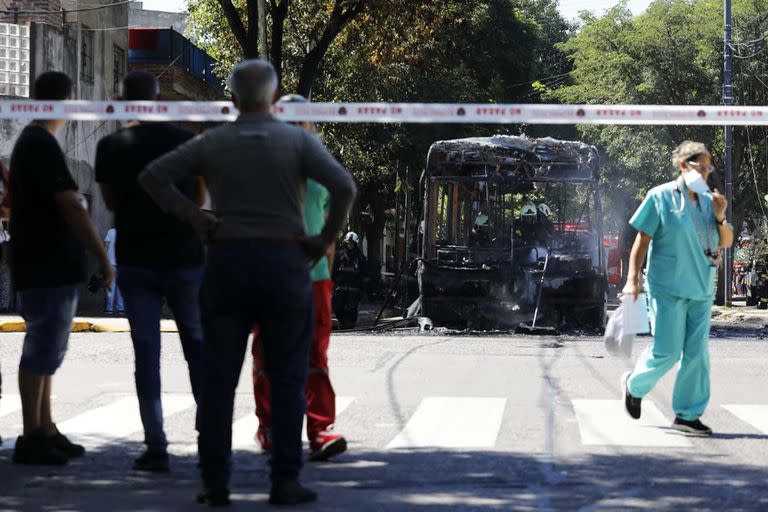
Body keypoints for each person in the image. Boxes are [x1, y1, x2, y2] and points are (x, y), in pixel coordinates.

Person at [139, 59, 356, 506]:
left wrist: (194, 215)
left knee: (218, 381)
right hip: (285, 264)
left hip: (226, 263)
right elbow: (344, 187)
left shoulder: (215, 141)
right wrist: (324, 239)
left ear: (234, 99)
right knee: (288, 375)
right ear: (275, 100)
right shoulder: (296, 140)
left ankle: (215, 483)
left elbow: (152, 177)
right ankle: (284, 480)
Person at [95, 71, 205, 473]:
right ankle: (208, 427)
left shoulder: (111, 146)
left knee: (147, 355)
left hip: (136, 259)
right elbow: (199, 197)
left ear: (124, 100)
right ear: (159, 98)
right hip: (183, 258)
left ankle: (156, 444)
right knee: (196, 345)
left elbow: (110, 202)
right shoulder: (185, 141)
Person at [9, 71, 114, 465]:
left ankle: (45, 427)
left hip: (46, 262)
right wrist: (102, 258)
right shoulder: (39, 143)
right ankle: (31, 433)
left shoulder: (38, 142)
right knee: (41, 348)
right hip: (46, 263)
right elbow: (70, 204)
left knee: (49, 349)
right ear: (64, 102)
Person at [251, 93, 347, 463]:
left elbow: (330, 234)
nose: (296, 127)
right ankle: (269, 425)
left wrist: (327, 276)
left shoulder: (323, 172)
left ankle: (320, 429)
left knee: (315, 356)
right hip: (270, 275)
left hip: (315, 279)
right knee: (266, 352)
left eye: (302, 121)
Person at [621, 140, 733, 435]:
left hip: (701, 289)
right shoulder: (660, 197)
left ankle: (687, 415)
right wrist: (632, 279)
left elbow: (726, 242)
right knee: (667, 351)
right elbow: (641, 241)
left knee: (697, 354)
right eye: (701, 166)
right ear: (684, 166)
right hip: (667, 287)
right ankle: (634, 385)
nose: (706, 173)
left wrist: (721, 216)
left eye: (709, 168)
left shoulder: (712, 202)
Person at [332, 232, 367, 329]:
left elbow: (364, 274)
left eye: (351, 243)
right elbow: (333, 270)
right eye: (348, 243)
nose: (349, 245)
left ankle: (350, 326)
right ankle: (341, 322)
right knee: (337, 307)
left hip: (354, 289)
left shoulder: (360, 258)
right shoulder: (339, 255)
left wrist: (362, 290)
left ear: (355, 244)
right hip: (340, 287)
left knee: (351, 310)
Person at [102, 227, 124, 315]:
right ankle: (120, 309)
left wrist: (103, 262)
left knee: (110, 288)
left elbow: (105, 247)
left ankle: (109, 309)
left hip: (110, 263)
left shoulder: (110, 232)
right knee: (121, 287)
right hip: (122, 264)